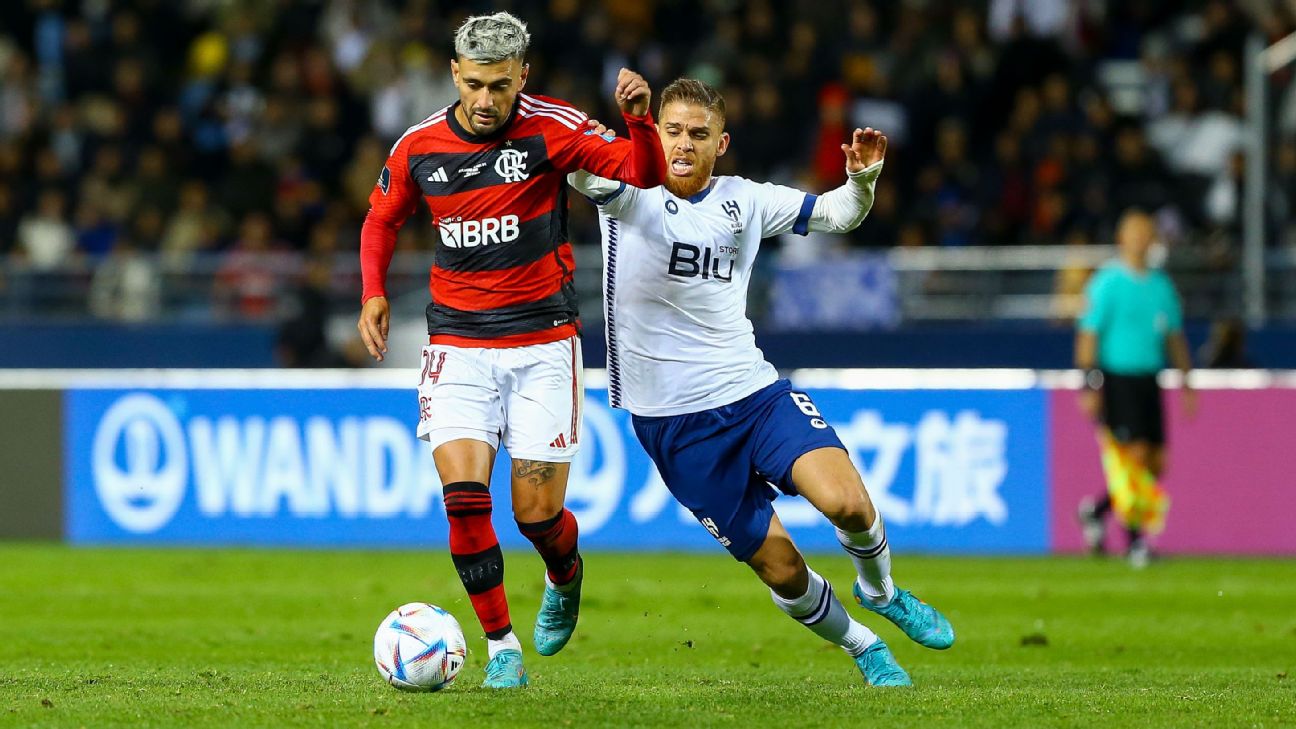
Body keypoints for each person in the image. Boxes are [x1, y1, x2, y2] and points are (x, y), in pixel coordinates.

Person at [568, 79, 953, 687]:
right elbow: (572, 168)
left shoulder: (744, 200)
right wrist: (632, 124)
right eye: (673, 131)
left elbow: (838, 214)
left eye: (699, 134)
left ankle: (881, 593)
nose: (684, 145)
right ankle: (863, 644)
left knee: (848, 502)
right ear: (657, 134)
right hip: (674, 425)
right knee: (783, 570)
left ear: (722, 144)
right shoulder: (624, 193)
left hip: (754, 394)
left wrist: (862, 180)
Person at [356, 12, 666, 689]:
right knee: (464, 498)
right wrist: (372, 291)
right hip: (459, 346)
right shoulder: (418, 146)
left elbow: (642, 177)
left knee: (537, 515)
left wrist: (641, 123)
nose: (486, 100)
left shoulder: (555, 128)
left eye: (500, 85)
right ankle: (501, 647)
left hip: (542, 344)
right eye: (473, 85)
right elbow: (382, 215)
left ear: (523, 74)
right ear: (454, 75)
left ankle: (566, 570)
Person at [1075, 209, 1197, 567]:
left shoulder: (1161, 285)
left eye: (1147, 233)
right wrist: (1088, 382)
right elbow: (1088, 334)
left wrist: (1187, 380)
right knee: (1135, 456)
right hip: (1118, 379)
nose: (1141, 239)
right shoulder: (1108, 282)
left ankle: (1097, 511)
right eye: (1135, 232)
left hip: (1149, 379)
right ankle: (1135, 542)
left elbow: (1175, 338)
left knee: (1156, 464)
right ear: (1121, 238)